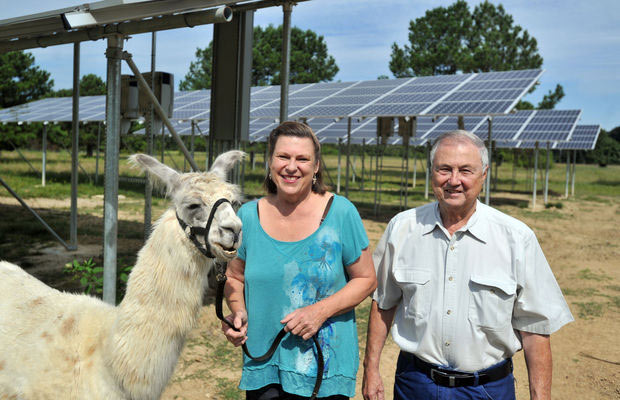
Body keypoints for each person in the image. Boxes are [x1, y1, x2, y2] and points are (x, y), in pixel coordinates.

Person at [362, 130, 573, 400]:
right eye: (444, 169)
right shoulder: (403, 228)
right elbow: (383, 303)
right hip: (416, 384)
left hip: (486, 388)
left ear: (484, 174)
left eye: (465, 170)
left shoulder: (516, 238)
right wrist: (371, 370)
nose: (454, 180)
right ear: (431, 172)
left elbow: (535, 330)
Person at [222, 121, 377, 400]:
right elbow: (235, 277)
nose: (291, 167)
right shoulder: (247, 216)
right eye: (283, 157)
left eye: (302, 159)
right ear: (270, 162)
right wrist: (238, 312)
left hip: (323, 371)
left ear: (316, 167)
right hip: (264, 364)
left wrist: (320, 311)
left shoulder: (340, 213)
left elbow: (366, 280)